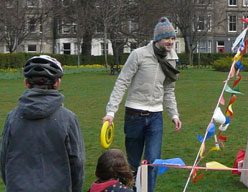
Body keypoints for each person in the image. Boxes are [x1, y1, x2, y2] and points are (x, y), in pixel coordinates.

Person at [102, 16, 182, 192]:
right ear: (158, 39)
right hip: (134, 115)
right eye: (167, 38)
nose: (170, 42)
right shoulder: (138, 55)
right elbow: (122, 82)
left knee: (152, 162)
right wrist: (111, 112)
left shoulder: (171, 59)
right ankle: (133, 190)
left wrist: (174, 114)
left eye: (173, 38)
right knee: (133, 163)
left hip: (156, 117)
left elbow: (169, 90)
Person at [0, 55, 85, 191]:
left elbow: (3, 158)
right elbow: (77, 162)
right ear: (57, 82)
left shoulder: (12, 117)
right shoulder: (68, 119)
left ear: (26, 83)